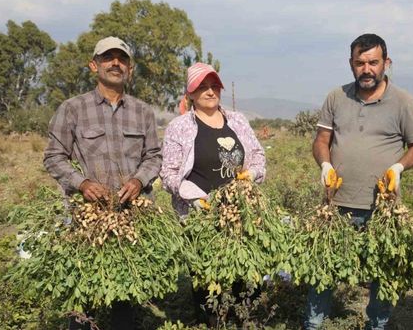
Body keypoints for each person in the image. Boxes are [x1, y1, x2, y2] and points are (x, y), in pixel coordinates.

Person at [309, 33, 413, 330]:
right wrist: (324, 163)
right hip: (335, 205)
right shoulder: (336, 97)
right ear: (351, 64)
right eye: (360, 63)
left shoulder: (403, 102)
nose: (367, 69)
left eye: (373, 62)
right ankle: (313, 325)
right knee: (322, 269)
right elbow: (321, 140)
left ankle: (377, 325)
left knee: (381, 274)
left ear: (386, 63)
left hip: (382, 209)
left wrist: (399, 167)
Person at [43, 36, 162, 330]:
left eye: (122, 59)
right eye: (108, 57)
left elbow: (154, 157)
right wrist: (82, 184)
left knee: (124, 300)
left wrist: (138, 180)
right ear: (94, 65)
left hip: (130, 219)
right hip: (87, 220)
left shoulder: (143, 112)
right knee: (83, 301)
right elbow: (53, 157)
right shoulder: (72, 109)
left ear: (130, 70)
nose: (115, 63)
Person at [159, 62, 266, 323]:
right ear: (191, 94)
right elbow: (168, 172)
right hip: (201, 219)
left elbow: (258, 155)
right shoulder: (180, 127)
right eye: (202, 87)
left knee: (246, 279)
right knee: (208, 284)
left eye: (213, 86)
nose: (210, 92)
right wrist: (192, 196)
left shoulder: (238, 120)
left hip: (241, 214)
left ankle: (244, 321)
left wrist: (251, 174)